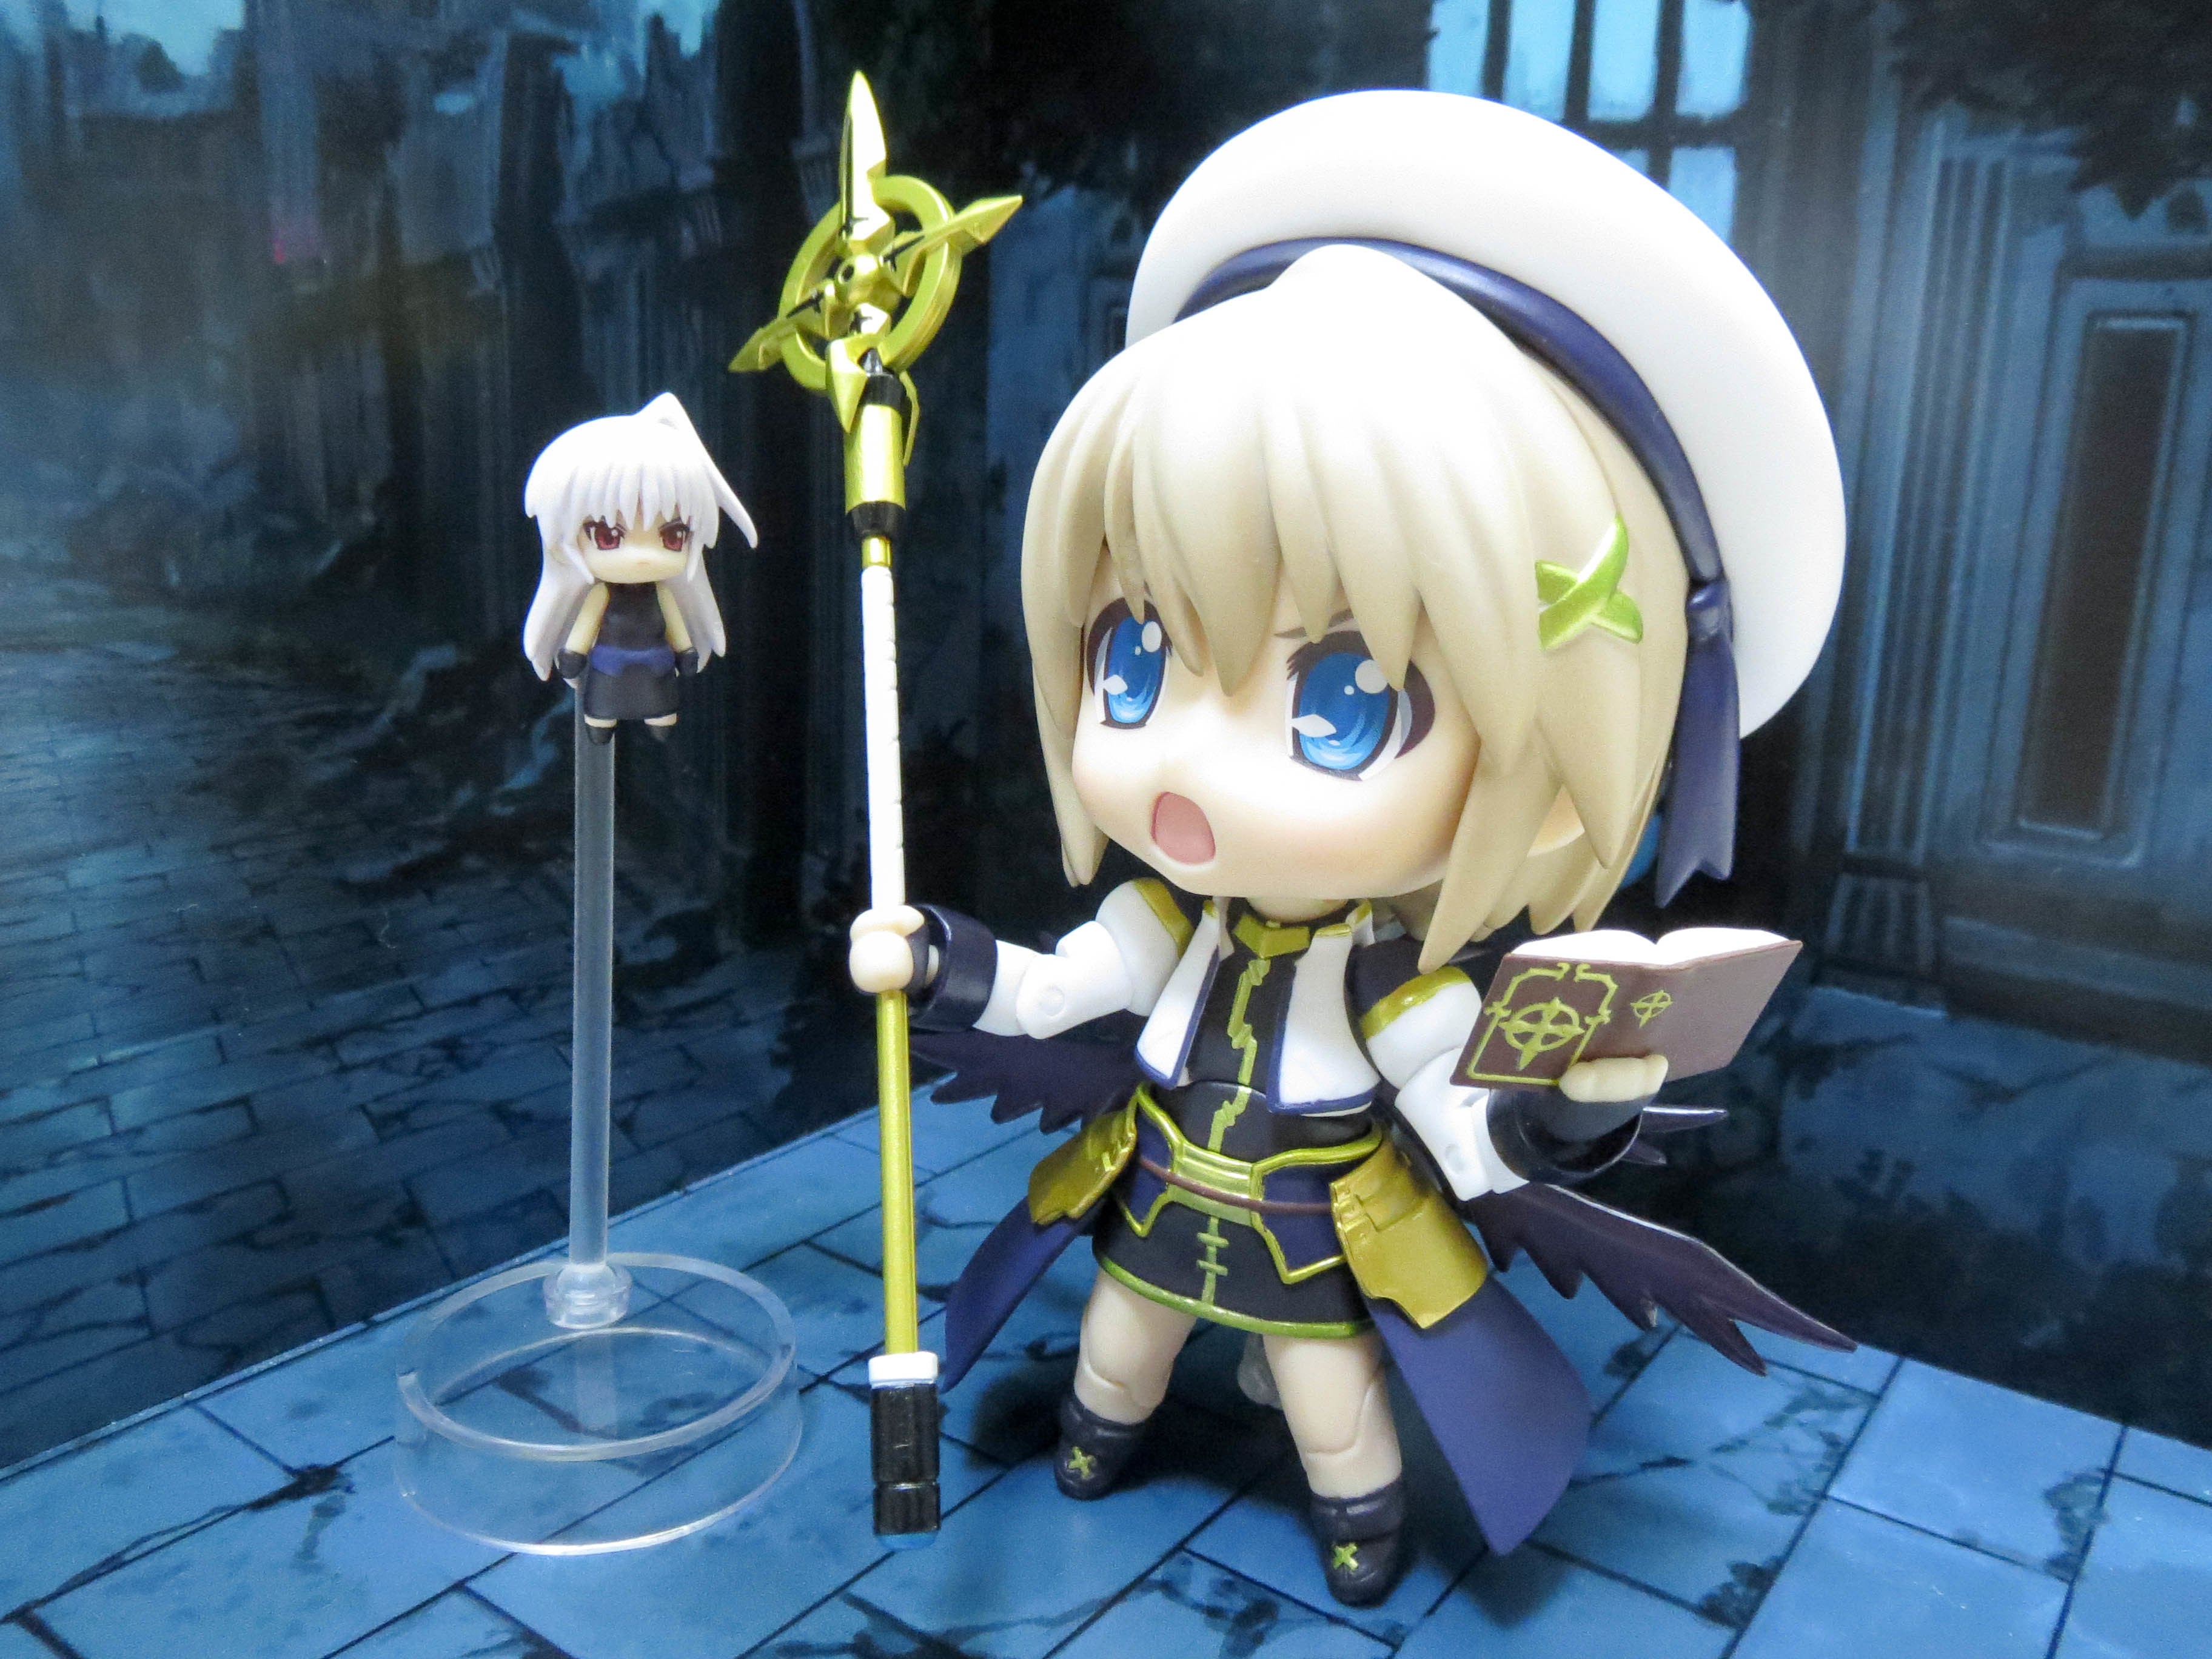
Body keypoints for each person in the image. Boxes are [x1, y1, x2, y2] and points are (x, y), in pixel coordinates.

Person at [849, 92, 1849, 1606]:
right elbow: (1052, 990)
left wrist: (1568, 1114)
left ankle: (1360, 1519)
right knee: (1116, 1348)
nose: (1184, 761)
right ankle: (1101, 1440)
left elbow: (1471, 1129)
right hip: (1157, 1193)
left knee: (1330, 1399)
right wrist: (933, 955)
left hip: (1318, 1230)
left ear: (1548, 751)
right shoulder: (1167, 926)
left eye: (1342, 701)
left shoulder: (1393, 987)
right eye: (1136, 658)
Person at [521, 392, 754, 739]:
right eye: (608, 537)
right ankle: (602, 723)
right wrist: (574, 652)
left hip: (656, 667)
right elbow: (585, 626)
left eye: (673, 536)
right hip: (608, 669)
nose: (642, 556)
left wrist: (686, 651)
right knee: (602, 708)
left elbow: (675, 625)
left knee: (660, 706)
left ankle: (658, 721)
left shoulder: (663, 594)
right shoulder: (600, 595)